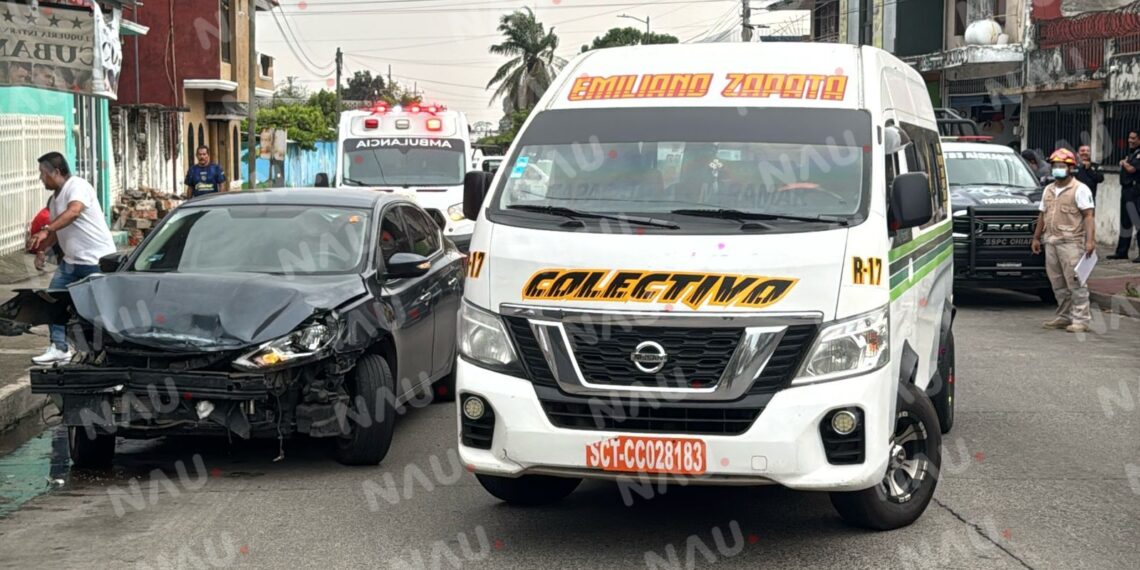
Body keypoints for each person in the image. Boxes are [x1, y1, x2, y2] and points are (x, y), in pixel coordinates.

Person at [27, 153, 117, 364]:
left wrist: (45, 229)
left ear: (56, 172)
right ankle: (59, 347)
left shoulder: (78, 186)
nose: (41, 179)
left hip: (96, 261)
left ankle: (108, 354)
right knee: (53, 300)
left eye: (43, 173)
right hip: (71, 262)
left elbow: (73, 212)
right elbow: (58, 230)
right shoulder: (53, 199)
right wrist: (43, 249)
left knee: (99, 311)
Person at [1031, 148, 1096, 333]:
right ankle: (1064, 315)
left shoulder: (1080, 189)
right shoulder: (1049, 190)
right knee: (1057, 282)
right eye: (1055, 166)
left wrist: (1090, 241)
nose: (1057, 169)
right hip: (1051, 241)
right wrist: (1036, 237)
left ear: (1070, 168)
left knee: (1075, 281)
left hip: (1071, 242)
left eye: (1061, 166)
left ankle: (1081, 319)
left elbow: (1088, 216)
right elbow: (1042, 215)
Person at [1109, 131, 1140, 261]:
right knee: (1125, 222)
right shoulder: (1131, 153)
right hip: (1126, 190)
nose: (1130, 140)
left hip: (1135, 191)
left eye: (1133, 138)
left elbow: (1132, 169)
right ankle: (1122, 251)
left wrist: (1124, 163)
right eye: (1129, 138)